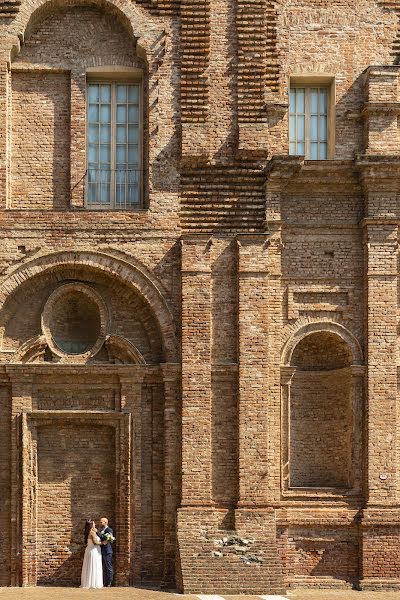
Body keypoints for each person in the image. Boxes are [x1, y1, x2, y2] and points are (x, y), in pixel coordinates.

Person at [80, 519, 103, 589]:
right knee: (94, 566)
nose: (95, 524)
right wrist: (103, 543)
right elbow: (95, 542)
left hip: (89, 550)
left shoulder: (87, 532)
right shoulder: (92, 533)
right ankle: (93, 583)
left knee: (89, 566)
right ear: (91, 525)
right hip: (93, 551)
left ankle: (88, 582)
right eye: (93, 523)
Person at [98, 516, 114, 587]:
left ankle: (109, 582)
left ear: (106, 522)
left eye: (101, 522)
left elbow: (108, 538)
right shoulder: (101, 529)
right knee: (103, 567)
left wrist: (97, 533)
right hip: (101, 550)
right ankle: (104, 582)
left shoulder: (109, 529)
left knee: (108, 567)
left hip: (107, 551)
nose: (100, 523)